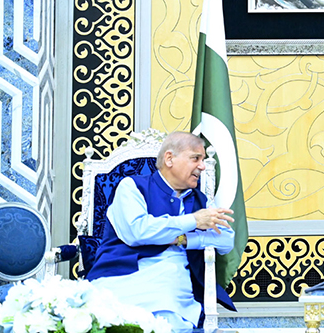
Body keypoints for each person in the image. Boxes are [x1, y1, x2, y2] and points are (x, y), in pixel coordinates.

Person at [87, 132, 237, 330]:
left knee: (165, 315)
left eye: (202, 160)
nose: (202, 166)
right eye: (195, 158)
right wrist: (194, 220)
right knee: (99, 316)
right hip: (120, 271)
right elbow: (138, 232)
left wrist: (183, 239)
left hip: (170, 274)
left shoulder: (201, 200)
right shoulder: (131, 187)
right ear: (169, 159)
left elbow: (226, 240)